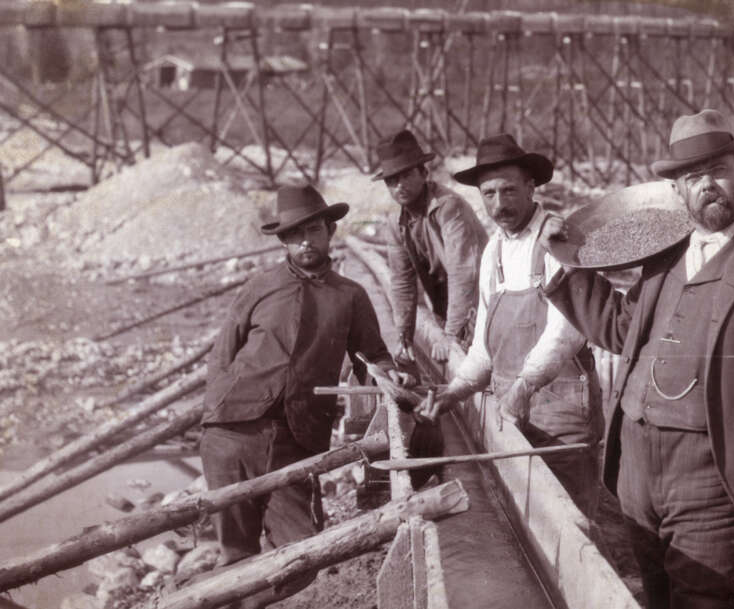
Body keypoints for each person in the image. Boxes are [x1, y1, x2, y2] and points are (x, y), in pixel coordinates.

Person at [539, 109, 734, 609]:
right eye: (692, 177)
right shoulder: (665, 254)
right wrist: (565, 264)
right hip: (636, 472)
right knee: (654, 596)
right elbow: (620, 329)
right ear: (677, 191)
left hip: (712, 476)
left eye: (718, 171)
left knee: (701, 599)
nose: (708, 186)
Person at [200, 184, 411, 609]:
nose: (304, 242)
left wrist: (395, 379)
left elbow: (373, 355)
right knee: (236, 553)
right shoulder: (260, 286)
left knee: (303, 555)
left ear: (330, 230)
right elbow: (224, 352)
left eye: (312, 230)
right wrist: (213, 415)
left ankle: (234, 604)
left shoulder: (350, 296)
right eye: (294, 234)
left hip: (296, 440)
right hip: (233, 434)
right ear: (282, 240)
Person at [415, 134, 603, 516]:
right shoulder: (494, 253)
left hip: (559, 411)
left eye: (508, 191)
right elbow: (485, 343)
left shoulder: (559, 239)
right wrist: (456, 390)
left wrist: (525, 385)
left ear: (531, 187)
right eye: (488, 194)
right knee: (527, 512)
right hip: (512, 406)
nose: (499, 205)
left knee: (573, 520)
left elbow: (566, 330)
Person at [376, 129, 488, 364]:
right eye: (392, 181)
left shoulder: (448, 207)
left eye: (406, 176)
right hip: (445, 298)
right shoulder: (396, 222)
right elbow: (402, 281)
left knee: (476, 361)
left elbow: (464, 272)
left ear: (423, 173)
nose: (400, 186)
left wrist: (451, 334)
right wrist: (404, 336)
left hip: (483, 295)